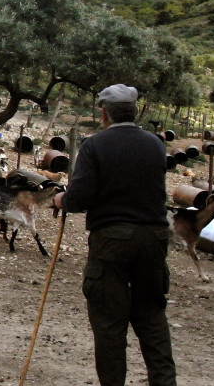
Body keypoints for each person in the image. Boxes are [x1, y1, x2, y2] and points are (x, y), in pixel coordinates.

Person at [53, 83, 177, 386]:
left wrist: (61, 200)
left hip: (112, 240)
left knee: (109, 322)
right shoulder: (156, 144)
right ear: (134, 112)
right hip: (154, 237)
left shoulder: (95, 145)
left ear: (103, 113)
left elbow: (80, 198)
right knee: (151, 316)